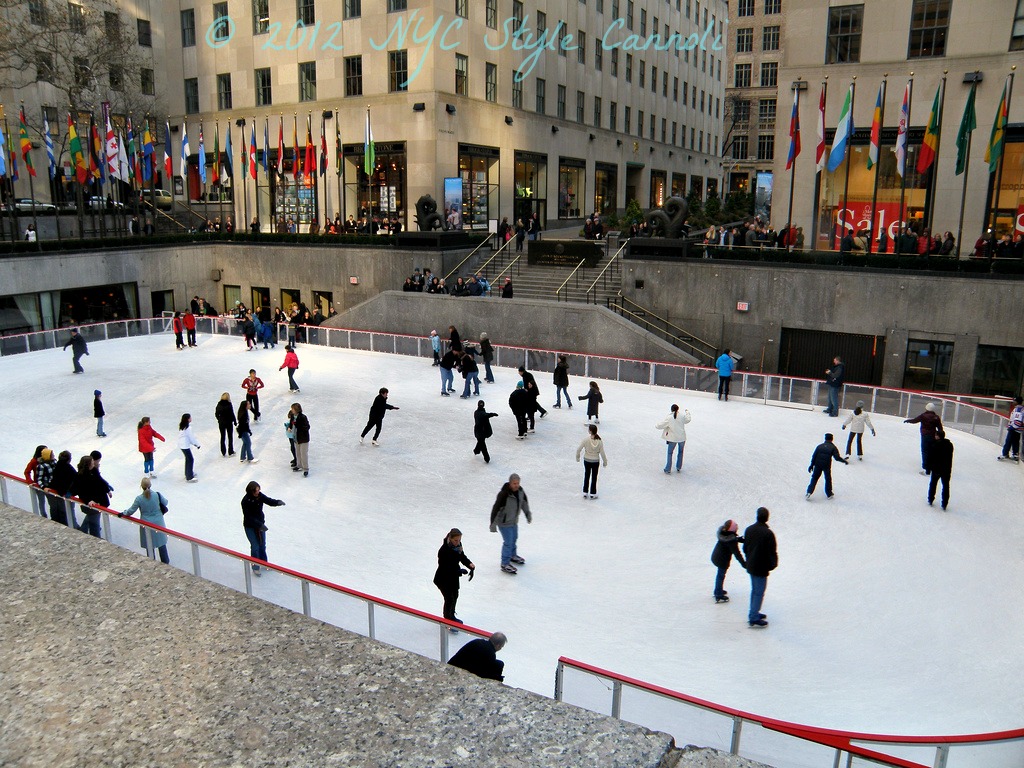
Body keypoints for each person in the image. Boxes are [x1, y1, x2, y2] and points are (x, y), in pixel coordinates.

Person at [120, 477, 170, 564]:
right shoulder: (157, 495)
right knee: (161, 544)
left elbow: (131, 511)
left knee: (149, 545)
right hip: (159, 523)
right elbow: (165, 502)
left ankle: (151, 564)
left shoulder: (139, 499)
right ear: (150, 485)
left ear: (141, 486)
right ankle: (166, 563)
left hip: (146, 524)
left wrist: (123, 513)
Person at [489, 473, 532, 574]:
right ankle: (505, 563)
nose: (516, 485)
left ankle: (513, 555)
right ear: (510, 483)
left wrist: (527, 514)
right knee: (508, 542)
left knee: (514, 538)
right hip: (504, 523)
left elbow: (524, 503)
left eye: (517, 483)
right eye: (514, 483)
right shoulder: (504, 494)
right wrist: (493, 524)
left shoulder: (520, 491)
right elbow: (496, 509)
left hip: (513, 521)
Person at [241, 480, 286, 575]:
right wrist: (260, 525)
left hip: (261, 524)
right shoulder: (245, 501)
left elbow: (268, 500)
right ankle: (255, 566)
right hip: (250, 526)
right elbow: (249, 517)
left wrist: (277, 502)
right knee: (255, 546)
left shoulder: (260, 496)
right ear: (251, 491)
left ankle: (264, 563)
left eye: (258, 490)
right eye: (256, 491)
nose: (258, 492)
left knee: (262, 545)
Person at [742, 507, 777, 628]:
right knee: (759, 592)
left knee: (755, 590)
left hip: (751, 565)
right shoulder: (768, 534)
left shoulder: (749, 530)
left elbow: (745, 548)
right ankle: (753, 617)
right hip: (761, 567)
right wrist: (772, 565)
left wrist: (749, 559)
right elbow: (772, 552)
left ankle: (753, 612)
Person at [433, 528, 475, 625]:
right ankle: (448, 619)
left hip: (453, 578)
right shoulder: (443, 551)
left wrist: (469, 564)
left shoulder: (458, 547)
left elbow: (462, 556)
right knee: (449, 598)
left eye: (459, 540)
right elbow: (445, 568)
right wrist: (459, 571)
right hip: (443, 579)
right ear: (450, 538)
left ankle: (451, 615)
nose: (458, 542)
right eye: (456, 540)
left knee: (455, 595)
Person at [72, 454, 109, 538]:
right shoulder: (80, 476)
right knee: (94, 524)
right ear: (88, 464)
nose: (94, 463)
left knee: (92, 519)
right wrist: (88, 500)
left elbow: (100, 482)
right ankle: (96, 538)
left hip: (99, 501)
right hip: (92, 505)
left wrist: (107, 490)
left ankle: (83, 531)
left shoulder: (94, 471)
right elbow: (80, 491)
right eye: (92, 462)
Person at [711, 519, 746, 603]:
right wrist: (744, 564)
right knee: (721, 576)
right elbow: (737, 554)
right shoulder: (731, 541)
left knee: (719, 575)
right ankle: (718, 594)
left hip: (716, 556)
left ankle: (718, 590)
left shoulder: (723, 533)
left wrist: (738, 539)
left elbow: (730, 537)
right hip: (722, 560)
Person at [806, 432, 848, 499]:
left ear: (825, 439)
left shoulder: (819, 446)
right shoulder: (833, 447)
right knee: (828, 479)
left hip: (818, 465)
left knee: (814, 478)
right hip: (826, 465)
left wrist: (811, 465)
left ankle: (809, 492)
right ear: (832, 439)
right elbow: (837, 458)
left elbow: (814, 456)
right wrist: (844, 461)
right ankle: (829, 494)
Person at [904, 402, 943, 475]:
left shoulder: (923, 416)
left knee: (925, 451)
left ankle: (926, 468)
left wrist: (908, 421)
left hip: (925, 436)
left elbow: (915, 420)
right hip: (933, 436)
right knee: (931, 452)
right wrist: (940, 436)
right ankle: (931, 467)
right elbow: (940, 428)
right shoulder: (936, 417)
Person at [656, 404, 691, 473]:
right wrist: (687, 412)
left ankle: (668, 468)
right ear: (678, 409)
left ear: (671, 409)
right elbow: (688, 419)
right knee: (680, 452)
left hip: (673, 439)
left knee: (670, 453)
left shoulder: (669, 417)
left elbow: (661, 425)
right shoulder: (682, 416)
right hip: (682, 438)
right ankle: (678, 467)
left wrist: (656, 425)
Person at [575, 424, 608, 499]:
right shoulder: (599, 441)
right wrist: (605, 462)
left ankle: (585, 492)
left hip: (587, 460)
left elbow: (578, 449)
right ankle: (593, 493)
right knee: (594, 476)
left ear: (590, 431)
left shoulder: (586, 440)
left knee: (587, 475)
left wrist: (578, 457)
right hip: (595, 461)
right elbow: (602, 453)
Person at [47, 450, 77, 527]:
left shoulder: (57, 466)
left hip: (54, 491)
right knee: (65, 511)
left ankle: (55, 524)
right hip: (63, 493)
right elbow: (76, 479)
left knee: (54, 510)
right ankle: (69, 526)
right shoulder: (69, 469)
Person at [928, 429, 954, 510]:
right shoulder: (949, 445)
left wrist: (929, 467)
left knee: (933, 484)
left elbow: (931, 457)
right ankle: (944, 503)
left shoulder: (935, 445)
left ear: (938, 436)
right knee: (946, 486)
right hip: (946, 469)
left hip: (937, 468)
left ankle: (930, 499)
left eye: (936, 435)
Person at [998, 396, 1024, 461]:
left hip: (1015, 429)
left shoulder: (1018, 410)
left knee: (1008, 441)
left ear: (1017, 402)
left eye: (1014, 401)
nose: (1013, 402)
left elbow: (1018, 421)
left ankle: (1005, 454)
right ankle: (1015, 454)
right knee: (1015, 441)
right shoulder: (1021, 409)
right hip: (1018, 429)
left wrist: (1012, 427)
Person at [177, 413, 201, 483]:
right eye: (190, 418)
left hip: (182, 445)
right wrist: (197, 444)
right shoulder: (188, 428)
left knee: (188, 459)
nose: (191, 419)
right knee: (190, 459)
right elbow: (192, 438)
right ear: (188, 419)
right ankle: (189, 476)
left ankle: (188, 473)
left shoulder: (182, 426)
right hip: (185, 446)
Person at [215, 393, 237, 457]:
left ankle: (223, 451)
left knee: (222, 436)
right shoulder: (229, 404)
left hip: (221, 422)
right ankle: (230, 451)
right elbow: (232, 413)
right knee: (230, 437)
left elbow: (216, 413)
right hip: (229, 422)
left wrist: (219, 419)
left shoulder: (219, 404)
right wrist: (235, 421)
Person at [292, 402, 310, 476]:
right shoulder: (293, 417)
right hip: (296, 438)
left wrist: (298, 426)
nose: (292, 410)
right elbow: (292, 424)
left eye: (292, 409)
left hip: (303, 439)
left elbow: (307, 427)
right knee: (298, 453)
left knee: (303, 454)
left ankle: (306, 468)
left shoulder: (303, 417)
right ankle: (299, 465)